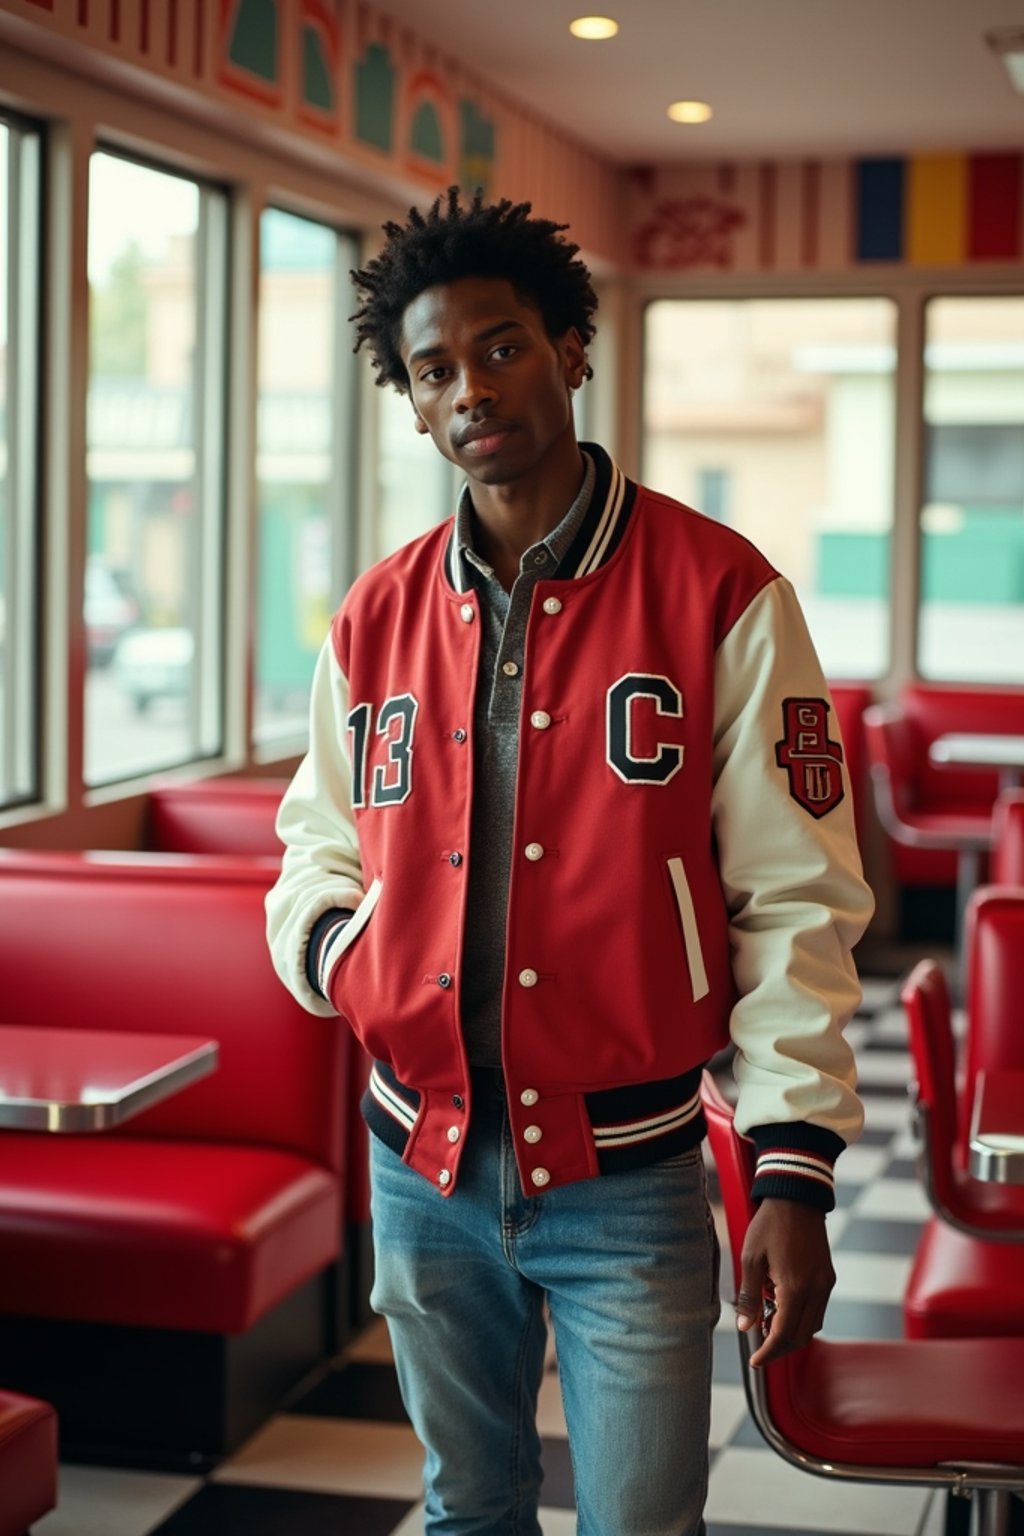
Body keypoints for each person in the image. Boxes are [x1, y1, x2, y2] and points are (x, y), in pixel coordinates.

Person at [266, 187, 873, 1536]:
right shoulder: (371, 614)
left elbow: (799, 900)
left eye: (501, 346)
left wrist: (792, 1165)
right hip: (416, 1166)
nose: (472, 388)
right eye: (435, 371)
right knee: (465, 1508)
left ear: (569, 350)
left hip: (631, 1176)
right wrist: (342, 955)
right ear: (413, 408)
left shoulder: (723, 590)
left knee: (643, 1523)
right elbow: (315, 834)